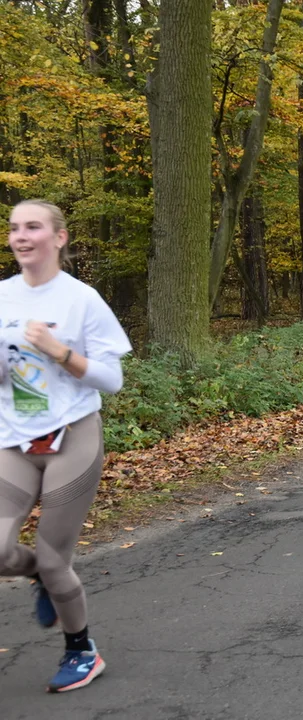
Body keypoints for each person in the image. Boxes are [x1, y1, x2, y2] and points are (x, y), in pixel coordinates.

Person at [1, 200, 132, 693]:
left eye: (33, 226)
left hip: (72, 435)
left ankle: (82, 650)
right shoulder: (2, 298)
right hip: (13, 439)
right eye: (14, 227)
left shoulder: (82, 300)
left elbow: (111, 379)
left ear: (59, 238)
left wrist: (60, 352)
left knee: (57, 559)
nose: (21, 235)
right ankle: (40, 576)